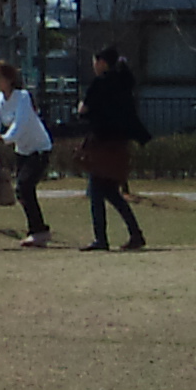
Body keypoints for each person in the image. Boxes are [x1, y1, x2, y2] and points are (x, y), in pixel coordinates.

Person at [75, 44, 150, 251]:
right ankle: (135, 234)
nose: (93, 66)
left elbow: (84, 109)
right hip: (119, 144)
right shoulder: (124, 82)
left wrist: (81, 108)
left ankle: (101, 238)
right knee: (110, 191)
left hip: (102, 143)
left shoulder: (100, 83)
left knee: (96, 190)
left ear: (101, 62)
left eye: (94, 62)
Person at [0, 59, 51, 248]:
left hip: (39, 148)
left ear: (8, 79)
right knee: (22, 190)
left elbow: (19, 125)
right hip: (22, 150)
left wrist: (4, 139)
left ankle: (39, 231)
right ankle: (38, 230)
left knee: (24, 186)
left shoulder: (22, 97)